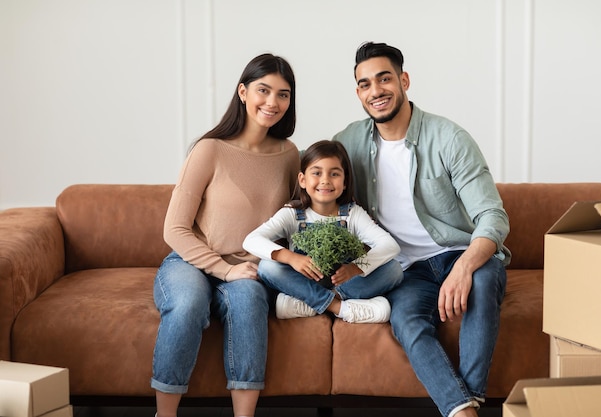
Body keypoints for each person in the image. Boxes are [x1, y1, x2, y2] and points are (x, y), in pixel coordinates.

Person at [333, 42, 510, 417]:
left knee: (482, 277)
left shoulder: (448, 137)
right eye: (365, 84)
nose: (376, 91)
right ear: (358, 93)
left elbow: (493, 216)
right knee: (406, 321)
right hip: (404, 269)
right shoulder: (347, 143)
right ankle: (465, 410)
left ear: (404, 80)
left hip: (457, 254)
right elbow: (316, 185)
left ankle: (469, 401)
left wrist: (463, 268)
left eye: (384, 79)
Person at [151, 53, 300, 417]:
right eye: (263, 90)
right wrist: (224, 269)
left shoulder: (290, 155)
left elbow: (293, 223)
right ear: (243, 92)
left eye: (283, 94)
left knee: (250, 302)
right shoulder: (210, 150)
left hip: (249, 268)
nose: (273, 102)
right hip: (191, 261)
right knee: (187, 305)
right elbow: (175, 228)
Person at [243, 140, 404, 323]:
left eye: (334, 174)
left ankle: (310, 303)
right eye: (317, 173)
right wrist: (291, 258)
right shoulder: (292, 214)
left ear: (345, 182)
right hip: (304, 282)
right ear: (303, 180)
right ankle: (338, 307)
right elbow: (251, 240)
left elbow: (390, 245)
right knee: (267, 267)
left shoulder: (352, 214)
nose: (325, 180)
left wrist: (355, 268)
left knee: (394, 270)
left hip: (342, 284)